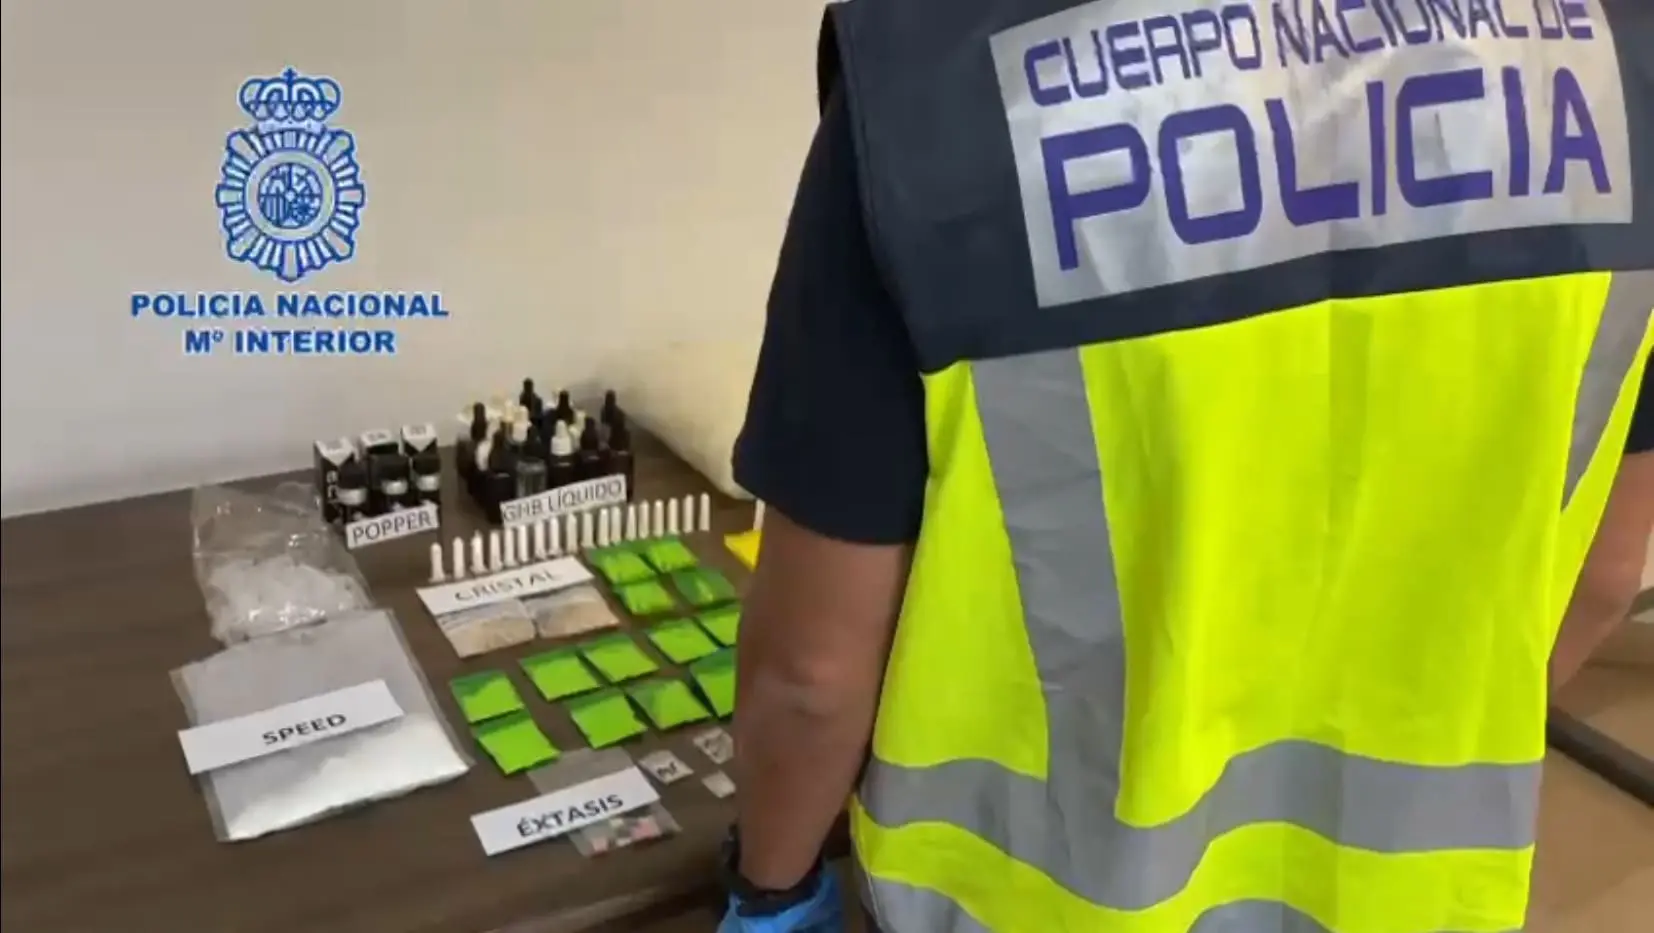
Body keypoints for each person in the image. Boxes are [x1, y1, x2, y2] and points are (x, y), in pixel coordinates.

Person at [717, 2, 1653, 931]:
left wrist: (774, 889)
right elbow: (1603, 577)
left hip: (1029, 905)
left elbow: (812, 675)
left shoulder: (937, 82)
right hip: (1413, 898)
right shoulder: (1621, 54)